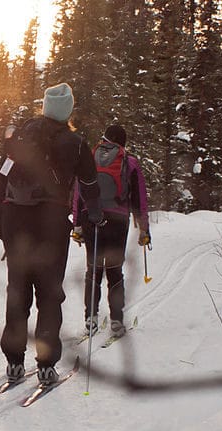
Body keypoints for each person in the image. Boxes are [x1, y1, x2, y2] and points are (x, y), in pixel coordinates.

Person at [0, 83, 101, 389]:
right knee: (49, 293)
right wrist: (94, 215)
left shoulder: (23, 136)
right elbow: (90, 185)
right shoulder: (75, 143)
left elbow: (0, 179)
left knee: (18, 289)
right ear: (67, 111)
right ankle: (46, 365)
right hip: (50, 223)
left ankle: (14, 361)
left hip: (15, 220)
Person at [72, 124, 150, 340]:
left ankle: (90, 319)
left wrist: (77, 224)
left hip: (91, 217)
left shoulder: (90, 157)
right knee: (114, 270)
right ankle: (116, 321)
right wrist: (144, 229)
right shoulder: (129, 161)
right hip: (118, 219)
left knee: (93, 269)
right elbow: (139, 198)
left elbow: (79, 191)